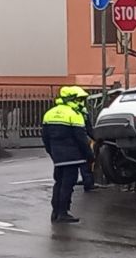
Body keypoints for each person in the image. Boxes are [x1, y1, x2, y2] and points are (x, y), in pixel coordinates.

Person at [42, 86, 94, 223]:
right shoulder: (74, 114)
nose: (82, 101)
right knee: (68, 184)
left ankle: (55, 212)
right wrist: (89, 156)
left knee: (58, 183)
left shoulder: (50, 113)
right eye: (80, 99)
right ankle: (63, 213)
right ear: (74, 99)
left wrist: (52, 152)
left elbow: (45, 138)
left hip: (58, 157)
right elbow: (82, 139)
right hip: (73, 156)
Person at [68, 86, 101, 192]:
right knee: (77, 162)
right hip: (73, 140)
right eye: (79, 99)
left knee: (86, 160)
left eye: (82, 99)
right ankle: (84, 182)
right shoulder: (69, 111)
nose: (81, 101)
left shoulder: (83, 111)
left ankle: (87, 182)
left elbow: (88, 128)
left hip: (80, 139)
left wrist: (96, 138)